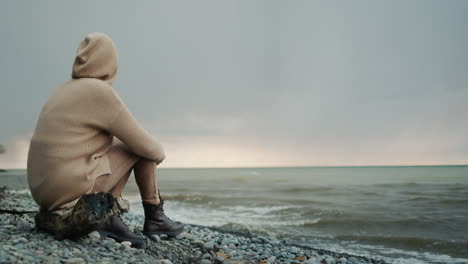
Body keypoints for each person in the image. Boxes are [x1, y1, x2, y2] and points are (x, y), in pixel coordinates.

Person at [26, 32, 184, 246]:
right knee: (139, 148)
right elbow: (148, 148)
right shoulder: (99, 91)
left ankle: (113, 214)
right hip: (68, 189)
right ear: (110, 63)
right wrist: (157, 154)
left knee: (126, 145)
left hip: (43, 193)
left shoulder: (62, 90)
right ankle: (155, 217)